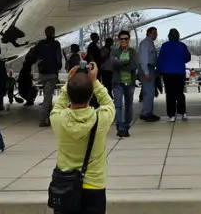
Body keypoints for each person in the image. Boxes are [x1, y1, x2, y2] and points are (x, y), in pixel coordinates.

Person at [50, 62, 115, 214]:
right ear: (91, 94)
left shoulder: (58, 120)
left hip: (65, 185)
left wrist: (68, 85)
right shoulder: (101, 119)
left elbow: (58, 106)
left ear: (69, 95)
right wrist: (95, 81)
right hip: (94, 186)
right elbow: (109, 104)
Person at [157, 28, 191, 123]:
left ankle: (171, 115)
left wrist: (159, 71)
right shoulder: (182, 46)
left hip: (167, 73)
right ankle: (183, 112)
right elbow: (188, 57)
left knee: (170, 94)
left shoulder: (164, 46)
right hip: (179, 72)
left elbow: (161, 59)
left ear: (169, 36)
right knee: (180, 93)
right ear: (178, 36)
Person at [110, 30, 139, 138]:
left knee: (129, 106)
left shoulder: (133, 52)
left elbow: (135, 65)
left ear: (129, 40)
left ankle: (126, 126)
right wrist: (127, 62)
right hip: (117, 83)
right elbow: (113, 63)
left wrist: (120, 63)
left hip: (129, 83)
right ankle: (119, 127)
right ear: (119, 40)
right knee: (118, 106)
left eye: (126, 38)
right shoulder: (114, 52)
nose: (123, 40)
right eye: (121, 39)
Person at [34, 26, 64, 128]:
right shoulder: (56, 44)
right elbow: (58, 58)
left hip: (42, 73)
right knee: (48, 97)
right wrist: (58, 67)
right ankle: (43, 119)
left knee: (47, 96)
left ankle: (49, 117)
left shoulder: (40, 44)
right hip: (51, 73)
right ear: (53, 33)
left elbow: (34, 55)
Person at [137, 27, 159, 122]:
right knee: (149, 92)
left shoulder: (149, 43)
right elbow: (143, 59)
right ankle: (146, 113)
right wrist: (146, 72)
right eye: (154, 33)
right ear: (149, 33)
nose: (156, 35)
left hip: (149, 68)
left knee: (149, 91)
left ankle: (148, 112)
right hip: (147, 68)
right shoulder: (146, 44)